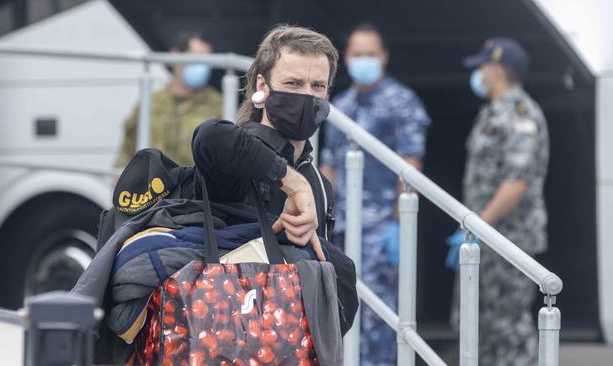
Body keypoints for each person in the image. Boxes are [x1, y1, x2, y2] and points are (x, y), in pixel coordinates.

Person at [191, 25, 358, 331]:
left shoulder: (319, 183)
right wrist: (292, 183)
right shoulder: (237, 159)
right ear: (262, 85)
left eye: (318, 86)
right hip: (225, 337)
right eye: (293, 83)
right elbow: (209, 137)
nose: (307, 96)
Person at [319, 23, 430, 365]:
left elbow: (410, 166)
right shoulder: (339, 105)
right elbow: (328, 168)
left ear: (383, 57)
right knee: (343, 308)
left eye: (371, 54)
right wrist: (322, 217)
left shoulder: (402, 101)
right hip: (343, 228)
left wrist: (398, 223)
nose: (364, 60)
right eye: (357, 54)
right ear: (346, 58)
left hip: (382, 227)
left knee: (380, 316)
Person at [446, 37, 549, 365]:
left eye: (483, 65)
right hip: (488, 239)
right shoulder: (492, 113)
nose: (478, 72)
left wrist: (478, 227)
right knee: (482, 326)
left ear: (499, 70)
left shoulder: (521, 113)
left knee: (509, 328)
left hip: (509, 240)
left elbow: (516, 183)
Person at [115, 30, 222, 167]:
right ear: (175, 55)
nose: (201, 66)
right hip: (153, 185)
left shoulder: (217, 104)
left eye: (206, 60)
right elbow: (128, 146)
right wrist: (119, 177)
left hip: (193, 186)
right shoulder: (152, 101)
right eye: (195, 58)